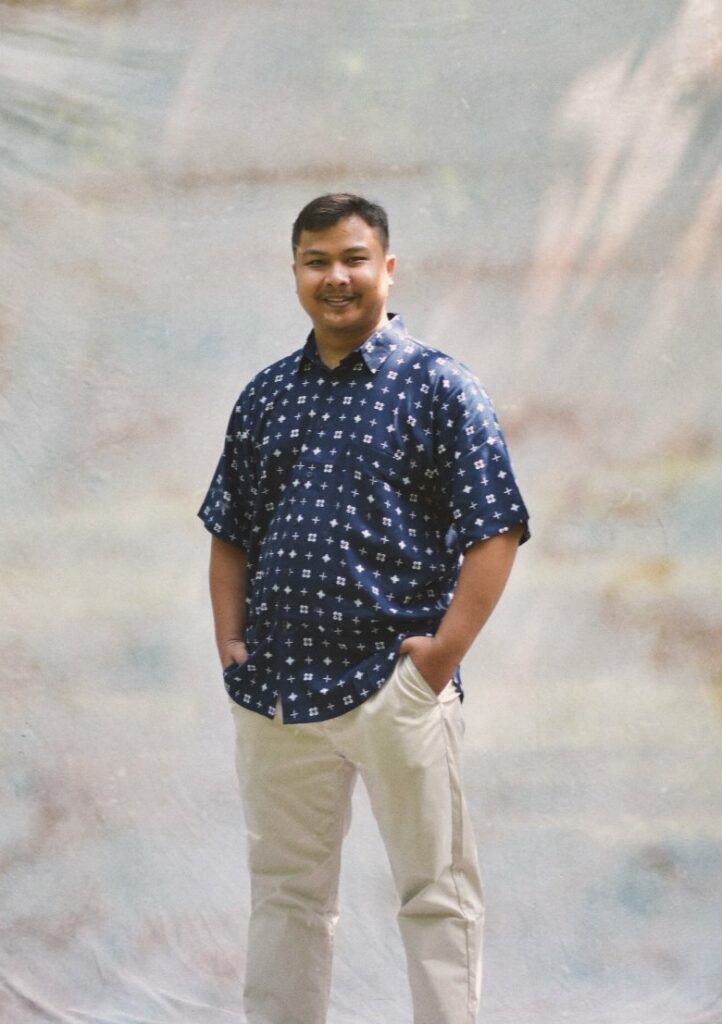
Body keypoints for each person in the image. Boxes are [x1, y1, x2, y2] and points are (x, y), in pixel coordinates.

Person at [198, 193, 529, 1024]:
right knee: (287, 894)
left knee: (436, 893)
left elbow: (496, 529)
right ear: (296, 272)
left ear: (387, 268)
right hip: (277, 693)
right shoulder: (266, 396)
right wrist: (232, 643)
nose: (336, 277)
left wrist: (440, 658)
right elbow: (231, 530)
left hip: (396, 687)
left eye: (353, 259)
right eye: (317, 261)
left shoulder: (439, 387)